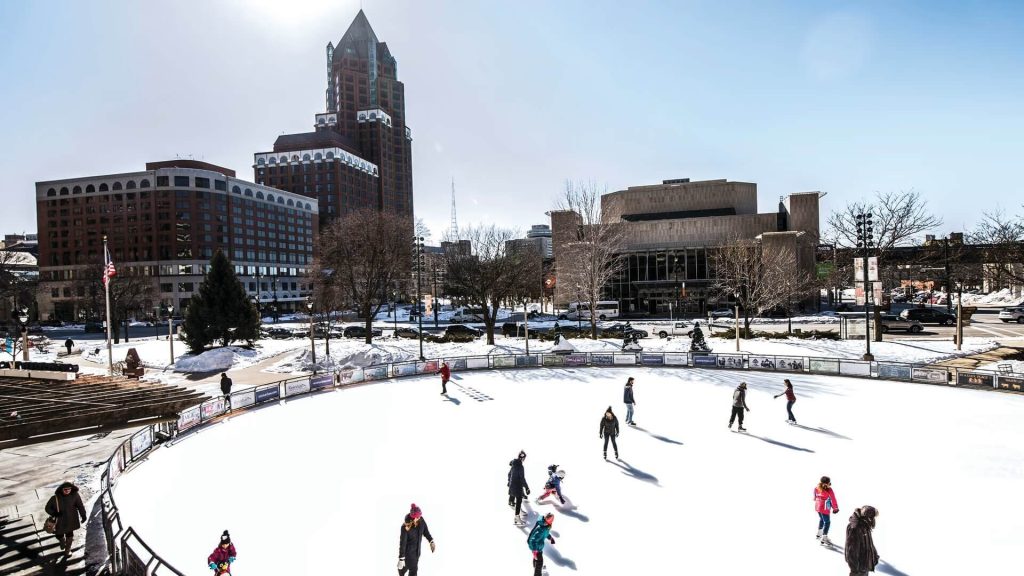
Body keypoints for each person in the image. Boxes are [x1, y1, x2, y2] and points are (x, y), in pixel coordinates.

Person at [44, 481, 87, 557]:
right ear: (61, 489)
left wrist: (83, 515)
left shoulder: (75, 496)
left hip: (71, 519)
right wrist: (54, 513)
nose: (67, 491)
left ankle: (68, 550)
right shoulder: (55, 498)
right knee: (59, 534)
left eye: (69, 489)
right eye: (65, 489)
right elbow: (47, 508)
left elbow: (80, 505)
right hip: (59, 521)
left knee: (69, 534)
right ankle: (62, 540)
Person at [398, 504, 436, 576]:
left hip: (417, 553)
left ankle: (401, 570)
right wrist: (401, 558)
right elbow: (402, 543)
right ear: (413, 518)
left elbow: (426, 531)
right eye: (417, 517)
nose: (419, 518)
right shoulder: (405, 528)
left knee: (406, 567)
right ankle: (401, 570)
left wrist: (431, 541)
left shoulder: (421, 520)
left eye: (420, 516)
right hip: (408, 554)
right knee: (413, 570)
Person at [845, 506, 880, 576]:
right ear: (867, 517)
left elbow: (869, 543)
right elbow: (851, 550)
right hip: (859, 567)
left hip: (864, 564)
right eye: (872, 517)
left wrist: (874, 555)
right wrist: (854, 570)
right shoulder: (856, 528)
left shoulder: (865, 526)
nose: (873, 520)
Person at [813, 476, 840, 546]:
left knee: (821, 519)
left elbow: (814, 497)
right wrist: (835, 508)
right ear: (828, 483)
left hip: (818, 507)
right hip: (824, 508)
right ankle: (824, 537)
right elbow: (833, 499)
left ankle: (819, 533)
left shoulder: (816, 488)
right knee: (827, 522)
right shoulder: (829, 489)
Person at [508, 450, 531, 524]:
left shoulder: (513, 464)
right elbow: (522, 478)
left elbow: (509, 474)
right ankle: (517, 517)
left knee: (513, 498)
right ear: (523, 458)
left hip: (512, 485)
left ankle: (516, 512)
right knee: (519, 501)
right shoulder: (520, 466)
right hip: (517, 486)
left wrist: (509, 482)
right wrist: (527, 487)